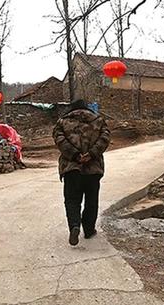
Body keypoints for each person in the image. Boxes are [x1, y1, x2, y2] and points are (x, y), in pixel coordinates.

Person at [52, 99, 111, 246]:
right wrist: (91, 154)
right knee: (91, 201)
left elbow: (60, 140)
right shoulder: (99, 121)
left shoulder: (62, 122)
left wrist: (75, 155)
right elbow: (105, 139)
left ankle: (75, 226)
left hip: (71, 168)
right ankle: (89, 230)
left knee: (72, 200)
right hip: (93, 168)